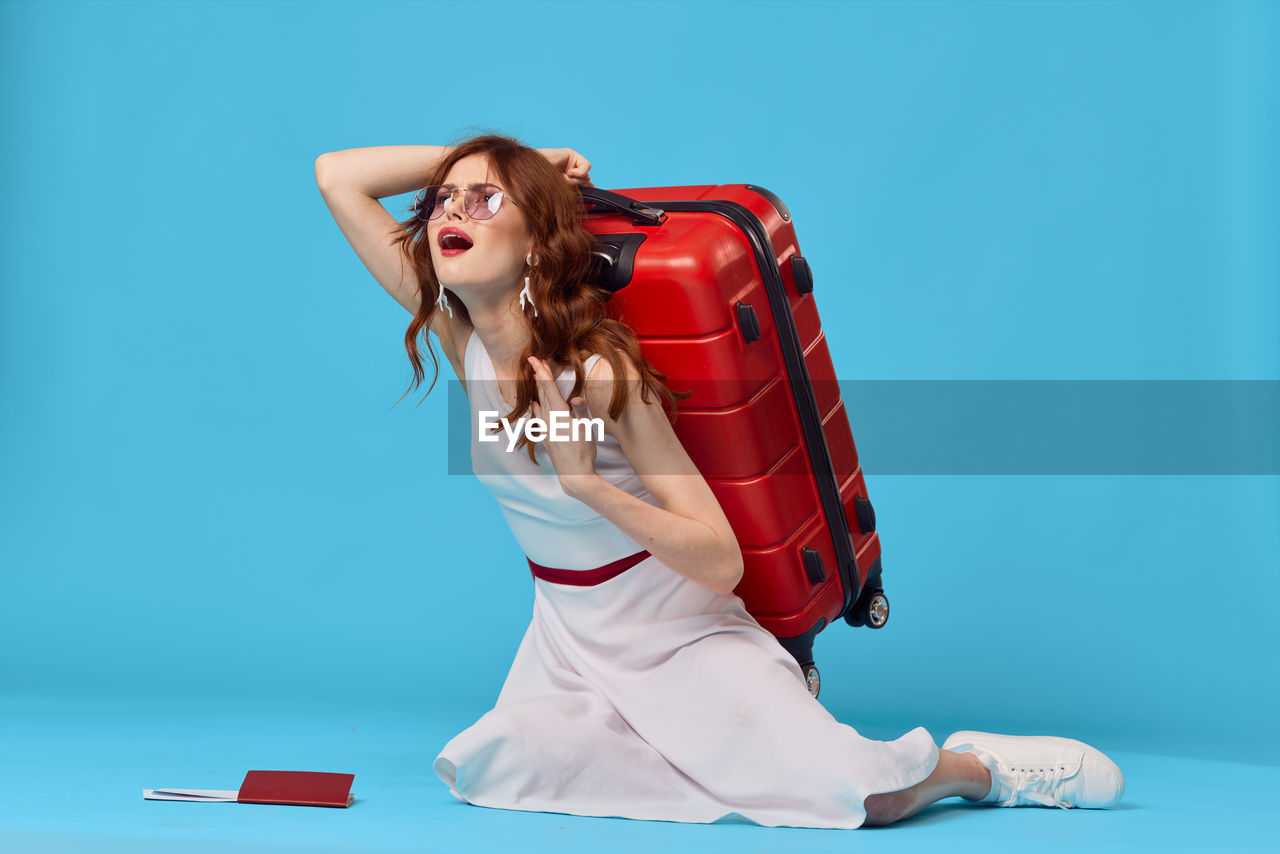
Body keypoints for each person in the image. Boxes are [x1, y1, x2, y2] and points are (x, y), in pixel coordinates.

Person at [313, 132, 1125, 829]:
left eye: (485, 200)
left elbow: (720, 561)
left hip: (675, 633)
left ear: (535, 243)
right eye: (443, 200)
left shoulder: (599, 373)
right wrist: (522, 159)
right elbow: (336, 175)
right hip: (567, 640)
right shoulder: (466, 345)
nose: (450, 212)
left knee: (862, 799)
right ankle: (755, 737)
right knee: (497, 767)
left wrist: (592, 486)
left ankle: (977, 769)